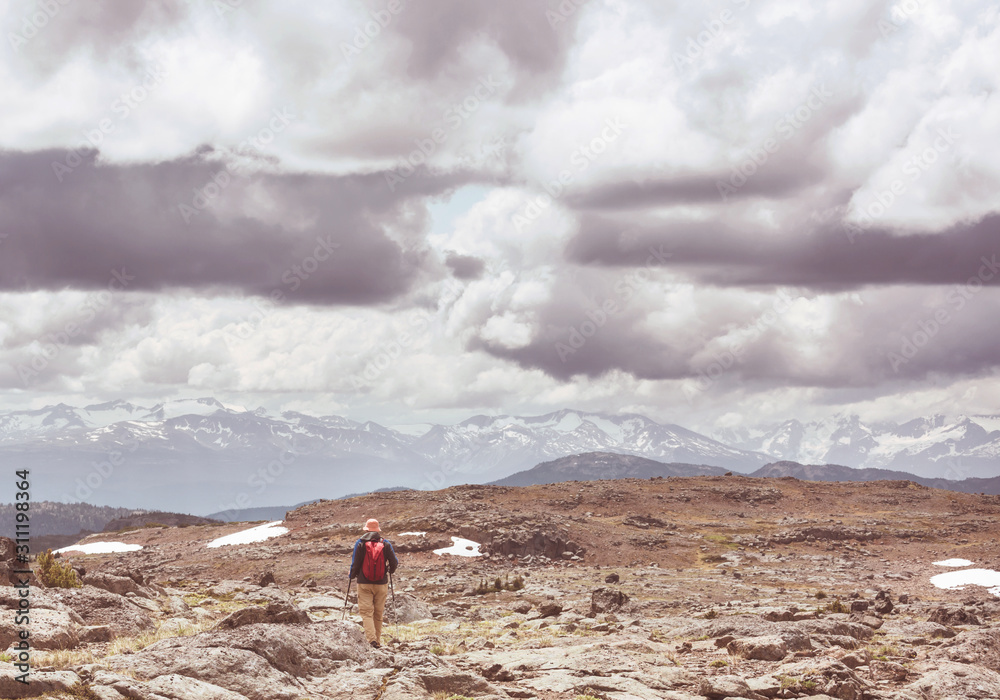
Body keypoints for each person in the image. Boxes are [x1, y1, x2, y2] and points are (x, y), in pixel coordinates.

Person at [349, 518, 399, 648]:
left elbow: (355, 563)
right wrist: (390, 571)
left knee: (366, 613)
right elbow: (394, 562)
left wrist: (352, 575)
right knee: (378, 613)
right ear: (377, 530)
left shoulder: (360, 543)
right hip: (381, 584)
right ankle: (377, 640)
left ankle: (372, 641)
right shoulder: (386, 544)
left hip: (364, 584)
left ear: (366, 529)